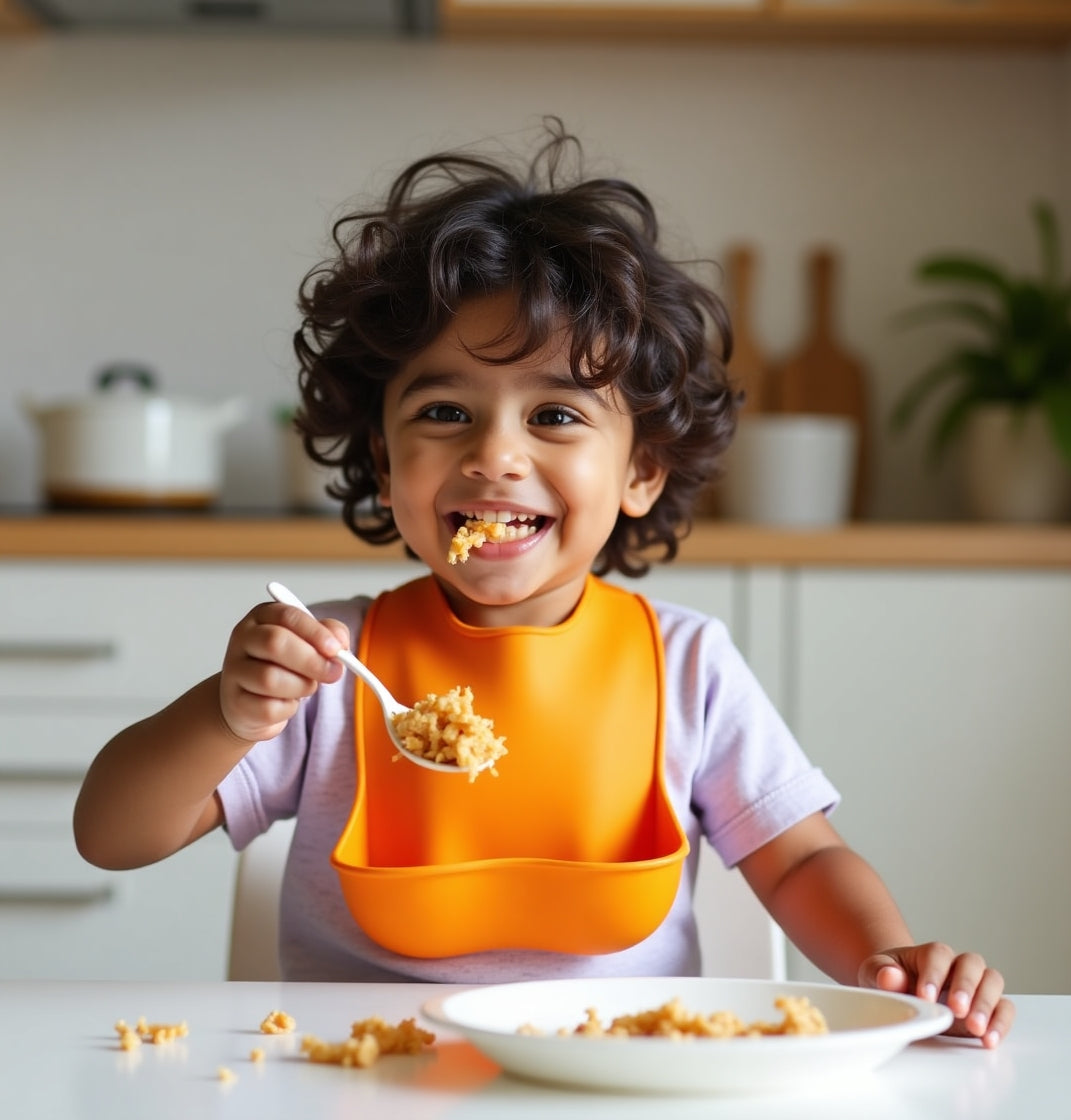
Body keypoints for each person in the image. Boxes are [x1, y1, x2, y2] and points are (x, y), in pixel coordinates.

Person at [73, 119, 1013, 1047]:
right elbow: (113, 835)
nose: (496, 456)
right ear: (385, 458)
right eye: (445, 411)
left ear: (641, 469)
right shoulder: (330, 665)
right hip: (360, 1079)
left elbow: (801, 859)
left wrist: (889, 965)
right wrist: (230, 714)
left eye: (557, 413)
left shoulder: (687, 667)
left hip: (618, 1079)